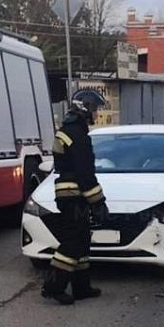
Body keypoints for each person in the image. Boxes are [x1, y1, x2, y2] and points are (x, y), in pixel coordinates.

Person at [42, 89, 111, 305]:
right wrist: (98, 202)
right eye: (95, 109)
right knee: (72, 242)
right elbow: (85, 173)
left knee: (81, 241)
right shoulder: (78, 135)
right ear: (85, 108)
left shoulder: (68, 130)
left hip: (69, 194)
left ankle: (81, 287)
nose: (97, 114)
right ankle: (53, 287)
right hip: (74, 196)